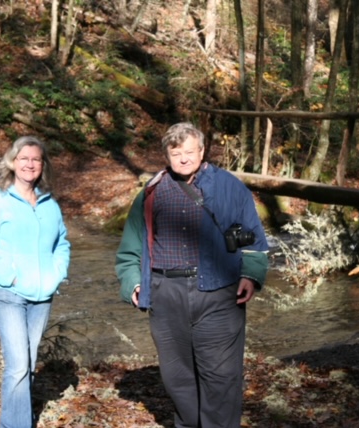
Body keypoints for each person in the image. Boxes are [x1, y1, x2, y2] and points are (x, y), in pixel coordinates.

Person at [115, 122, 269, 428]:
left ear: (201, 151)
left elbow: (254, 239)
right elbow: (130, 245)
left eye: (189, 151)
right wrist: (131, 281)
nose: (183, 158)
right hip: (165, 292)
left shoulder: (229, 186)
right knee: (177, 377)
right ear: (167, 155)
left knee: (221, 377)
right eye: (176, 153)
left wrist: (250, 274)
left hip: (219, 293)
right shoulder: (152, 191)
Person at [0, 136, 70, 428]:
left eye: (36, 159)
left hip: (42, 296)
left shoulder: (49, 204)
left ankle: (18, 418)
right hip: (6, 292)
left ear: (43, 165)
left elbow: (62, 242)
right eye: (23, 158)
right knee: (18, 366)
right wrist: (9, 275)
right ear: (12, 162)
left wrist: (57, 273)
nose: (29, 164)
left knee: (27, 363)